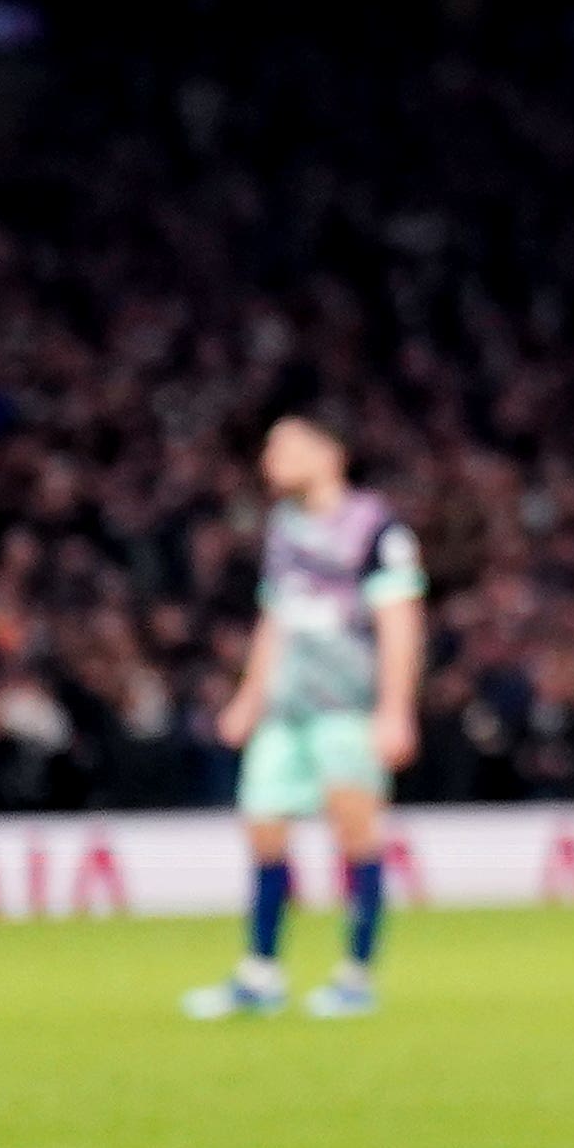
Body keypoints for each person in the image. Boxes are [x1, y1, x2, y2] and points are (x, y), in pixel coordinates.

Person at [182, 415, 425, 1020]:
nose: (271, 458)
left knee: (355, 831)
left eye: (285, 446)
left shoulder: (377, 528)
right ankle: (261, 973)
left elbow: (400, 620)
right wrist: (249, 695)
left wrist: (395, 709)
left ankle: (355, 974)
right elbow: (277, 616)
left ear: (329, 452)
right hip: (286, 707)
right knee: (263, 826)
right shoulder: (283, 527)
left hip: (347, 705)